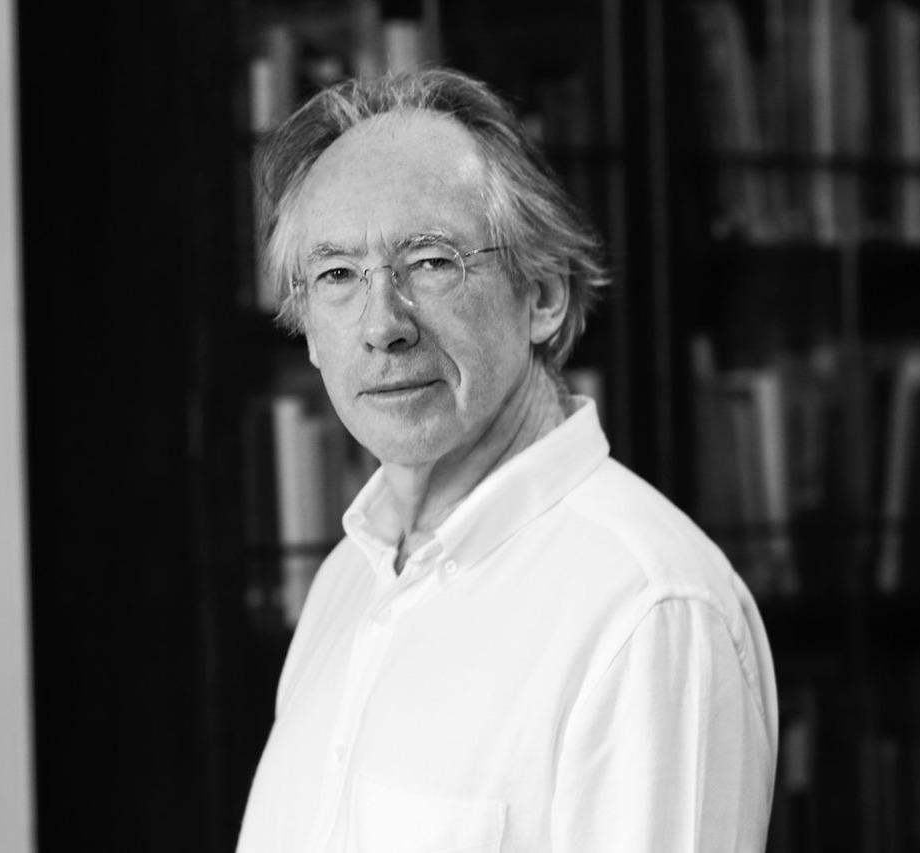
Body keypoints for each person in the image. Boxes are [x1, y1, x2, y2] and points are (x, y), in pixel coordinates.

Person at [234, 66, 778, 852]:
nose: (383, 325)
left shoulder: (649, 609)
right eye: (338, 275)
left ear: (544, 294)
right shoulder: (347, 580)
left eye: (431, 261)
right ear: (309, 330)